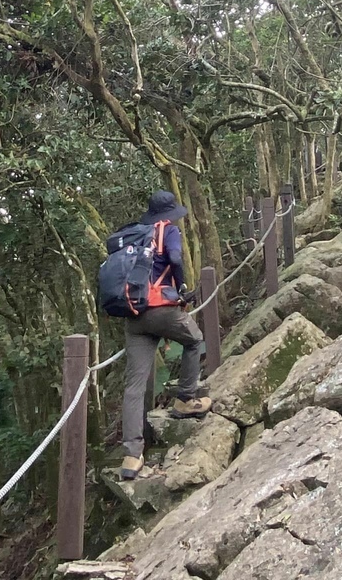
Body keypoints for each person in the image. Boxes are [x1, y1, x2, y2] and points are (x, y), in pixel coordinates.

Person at [120, 190, 212, 480]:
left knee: (134, 386)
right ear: (170, 214)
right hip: (161, 308)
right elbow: (174, 256)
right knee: (194, 339)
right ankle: (185, 399)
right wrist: (182, 288)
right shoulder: (167, 231)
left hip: (134, 316)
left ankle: (131, 456)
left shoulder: (135, 235)